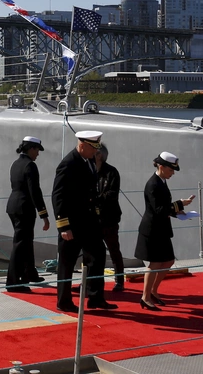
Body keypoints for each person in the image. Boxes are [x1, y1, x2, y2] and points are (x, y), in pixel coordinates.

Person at [51, 130, 116, 312]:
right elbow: (58, 196)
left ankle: (95, 297)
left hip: (88, 222)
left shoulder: (87, 161)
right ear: (82, 145)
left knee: (98, 255)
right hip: (71, 223)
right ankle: (64, 302)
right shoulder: (68, 164)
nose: (95, 153)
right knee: (67, 263)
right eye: (92, 148)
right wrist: (63, 226)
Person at [134, 151, 195, 311]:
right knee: (154, 264)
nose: (173, 173)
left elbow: (164, 207)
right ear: (161, 167)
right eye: (171, 170)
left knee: (168, 261)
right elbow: (158, 209)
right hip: (153, 230)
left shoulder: (161, 181)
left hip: (162, 229)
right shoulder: (153, 184)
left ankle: (153, 290)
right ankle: (145, 297)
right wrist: (179, 204)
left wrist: (177, 211)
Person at [5, 136, 51, 292]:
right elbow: (35, 192)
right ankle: (13, 282)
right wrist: (44, 215)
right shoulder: (30, 166)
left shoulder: (15, 164)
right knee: (20, 245)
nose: (38, 154)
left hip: (13, 206)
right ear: (31, 148)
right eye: (37, 150)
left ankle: (30, 273)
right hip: (24, 208)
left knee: (26, 241)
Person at [96, 143, 125, 293]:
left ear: (99, 155)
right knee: (91, 253)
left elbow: (112, 195)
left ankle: (119, 280)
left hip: (109, 219)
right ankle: (91, 282)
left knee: (114, 250)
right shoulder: (89, 171)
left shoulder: (111, 172)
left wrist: (94, 199)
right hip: (93, 219)